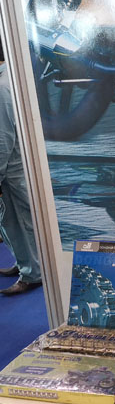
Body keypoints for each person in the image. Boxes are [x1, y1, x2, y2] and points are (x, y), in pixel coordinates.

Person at [0, 41, 42, 295]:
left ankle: (33, 274)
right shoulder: (10, 77)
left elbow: (2, 139)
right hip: (12, 168)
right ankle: (24, 263)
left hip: (11, 170)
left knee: (20, 224)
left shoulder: (2, 86)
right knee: (11, 223)